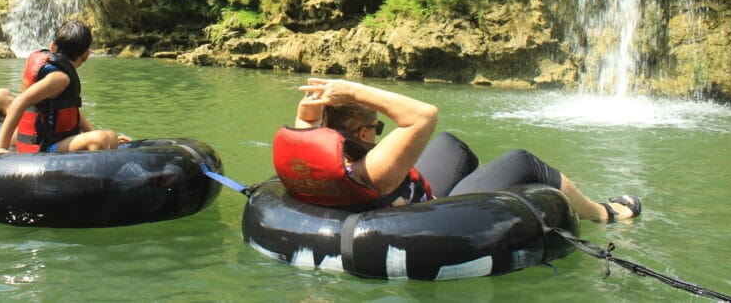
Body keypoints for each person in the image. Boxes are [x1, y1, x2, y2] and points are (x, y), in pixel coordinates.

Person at [274, 77, 642, 222]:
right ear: (361, 133)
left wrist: (327, 99)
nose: (378, 132)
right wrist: (352, 91)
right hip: (427, 213)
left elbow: (307, 116)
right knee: (523, 161)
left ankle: (491, 196)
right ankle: (604, 214)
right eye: (376, 127)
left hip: (400, 196)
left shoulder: (315, 149)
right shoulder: (373, 171)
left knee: (451, 145)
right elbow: (423, 116)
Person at [0, 19, 127, 153]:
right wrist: (1, 148)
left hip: (48, 137)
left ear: (52, 46)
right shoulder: (60, 78)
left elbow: (68, 109)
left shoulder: (56, 72)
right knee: (103, 138)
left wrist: (91, 133)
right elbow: (19, 102)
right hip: (43, 146)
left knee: (109, 136)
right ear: (86, 55)